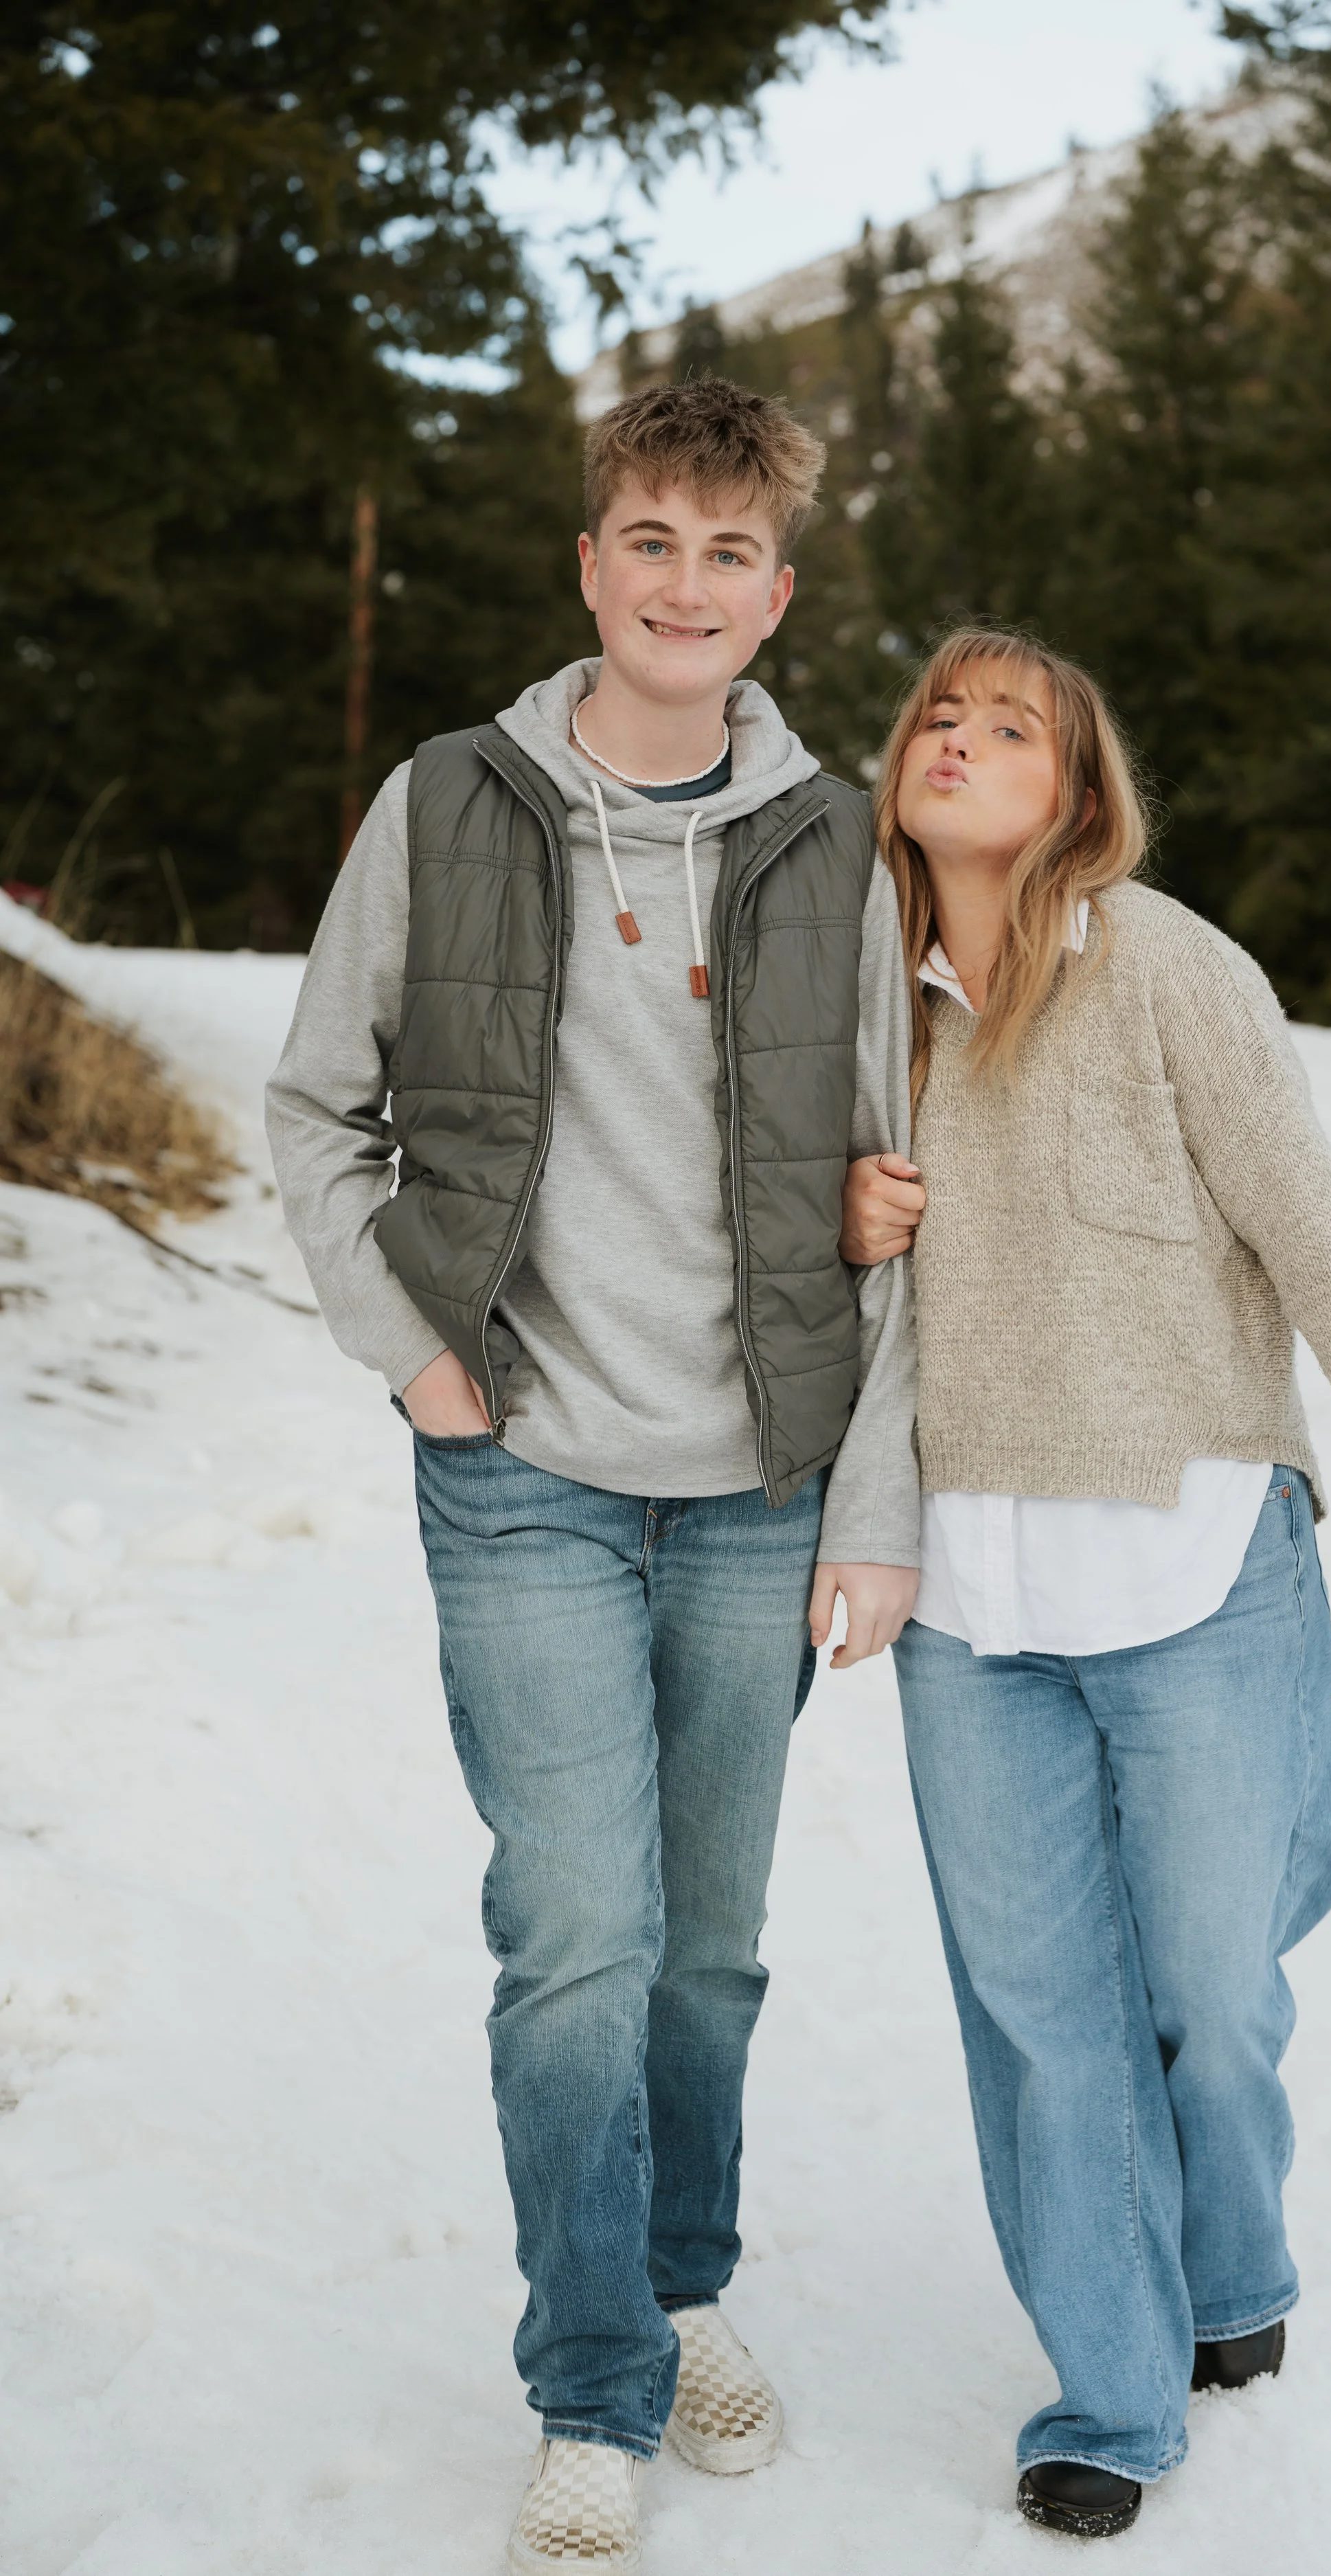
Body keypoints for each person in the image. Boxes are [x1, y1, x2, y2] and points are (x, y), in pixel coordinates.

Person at [266, 379, 920, 2574]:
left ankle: (684, 2276)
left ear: (776, 594)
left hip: (757, 1480)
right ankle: (589, 2381)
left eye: (728, 555)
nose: (685, 584)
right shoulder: (446, 800)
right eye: (651, 538)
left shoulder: (835, 840)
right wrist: (419, 1357)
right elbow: (315, 1109)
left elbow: (890, 1184)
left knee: (707, 1950)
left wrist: (876, 1488)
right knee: (576, 1935)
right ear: (589, 566)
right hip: (522, 1463)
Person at [839, 628, 1331, 2540]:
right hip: (969, 1604)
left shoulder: (1168, 966)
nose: (955, 739)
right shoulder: (855, 1000)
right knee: (1046, 2015)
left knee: (1209, 1985)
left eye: (1006, 724)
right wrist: (835, 1213)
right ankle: (1110, 2395)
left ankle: (1233, 2259)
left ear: (1077, 786)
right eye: (934, 717)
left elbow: (1311, 1215)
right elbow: (799, 1280)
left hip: (1202, 1563)